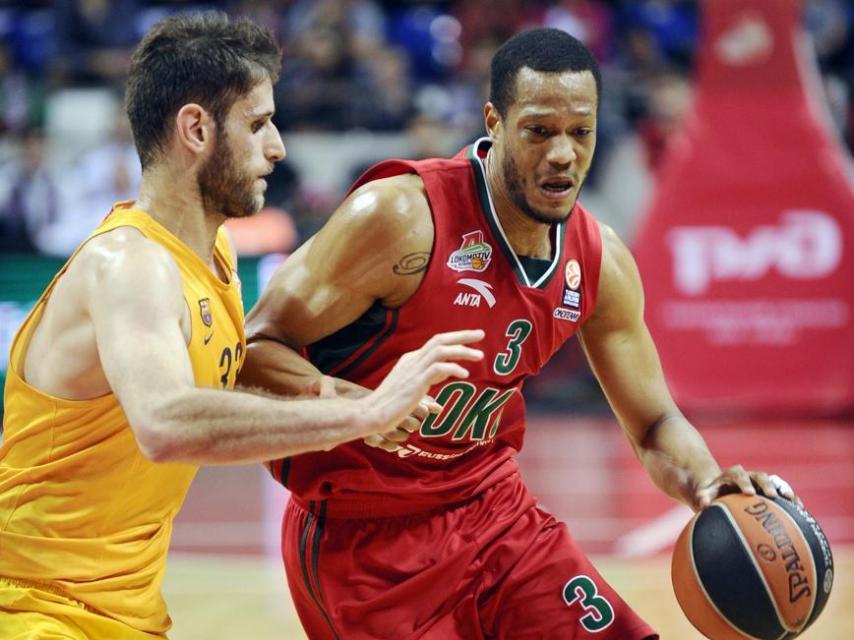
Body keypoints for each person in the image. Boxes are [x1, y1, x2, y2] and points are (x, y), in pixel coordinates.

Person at [241, 28, 798, 640]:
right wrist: (355, 405)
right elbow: (254, 347)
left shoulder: (600, 261)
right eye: (539, 131)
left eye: (579, 133)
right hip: (363, 537)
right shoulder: (400, 218)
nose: (562, 153)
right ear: (495, 122)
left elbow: (654, 423)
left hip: (497, 517)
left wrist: (706, 483)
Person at [0, 12, 484, 640]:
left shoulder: (213, 255)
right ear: (196, 129)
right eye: (257, 124)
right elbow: (167, 422)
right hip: (33, 609)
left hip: (121, 613)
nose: (278, 146)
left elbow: (223, 373)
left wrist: (345, 395)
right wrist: (361, 418)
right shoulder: (130, 265)